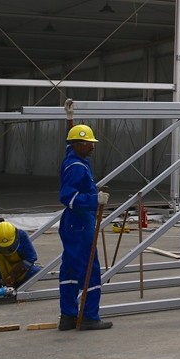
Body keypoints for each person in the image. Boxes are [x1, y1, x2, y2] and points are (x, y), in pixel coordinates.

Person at [58, 123, 112, 331]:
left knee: (70, 270)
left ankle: (68, 316)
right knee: (90, 269)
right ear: (77, 144)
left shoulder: (74, 160)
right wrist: (94, 200)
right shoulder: (77, 167)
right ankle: (89, 316)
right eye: (88, 143)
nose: (92, 147)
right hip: (79, 222)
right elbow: (68, 196)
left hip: (73, 223)